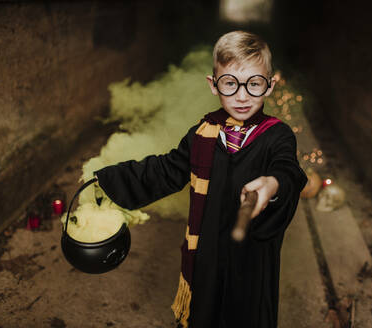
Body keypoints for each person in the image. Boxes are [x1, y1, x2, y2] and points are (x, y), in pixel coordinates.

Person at [94, 30, 307, 328]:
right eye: (230, 84)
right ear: (213, 85)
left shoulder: (276, 135)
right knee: (205, 314)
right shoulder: (203, 133)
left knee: (247, 316)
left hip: (252, 260)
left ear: (270, 86)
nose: (242, 95)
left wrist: (273, 184)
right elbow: (166, 170)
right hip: (207, 253)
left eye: (254, 84)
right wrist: (108, 180)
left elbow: (288, 169)